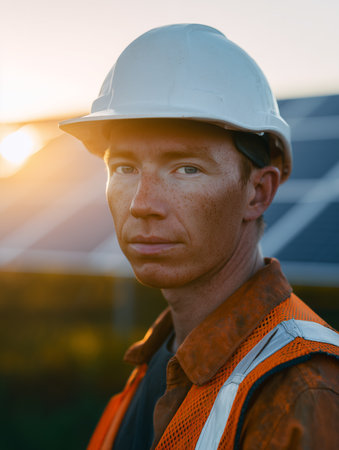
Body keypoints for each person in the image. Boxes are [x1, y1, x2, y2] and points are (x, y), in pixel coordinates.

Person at [60, 24, 339, 450]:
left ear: (258, 193)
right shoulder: (158, 360)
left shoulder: (303, 392)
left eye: (186, 168)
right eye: (124, 168)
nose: (142, 203)